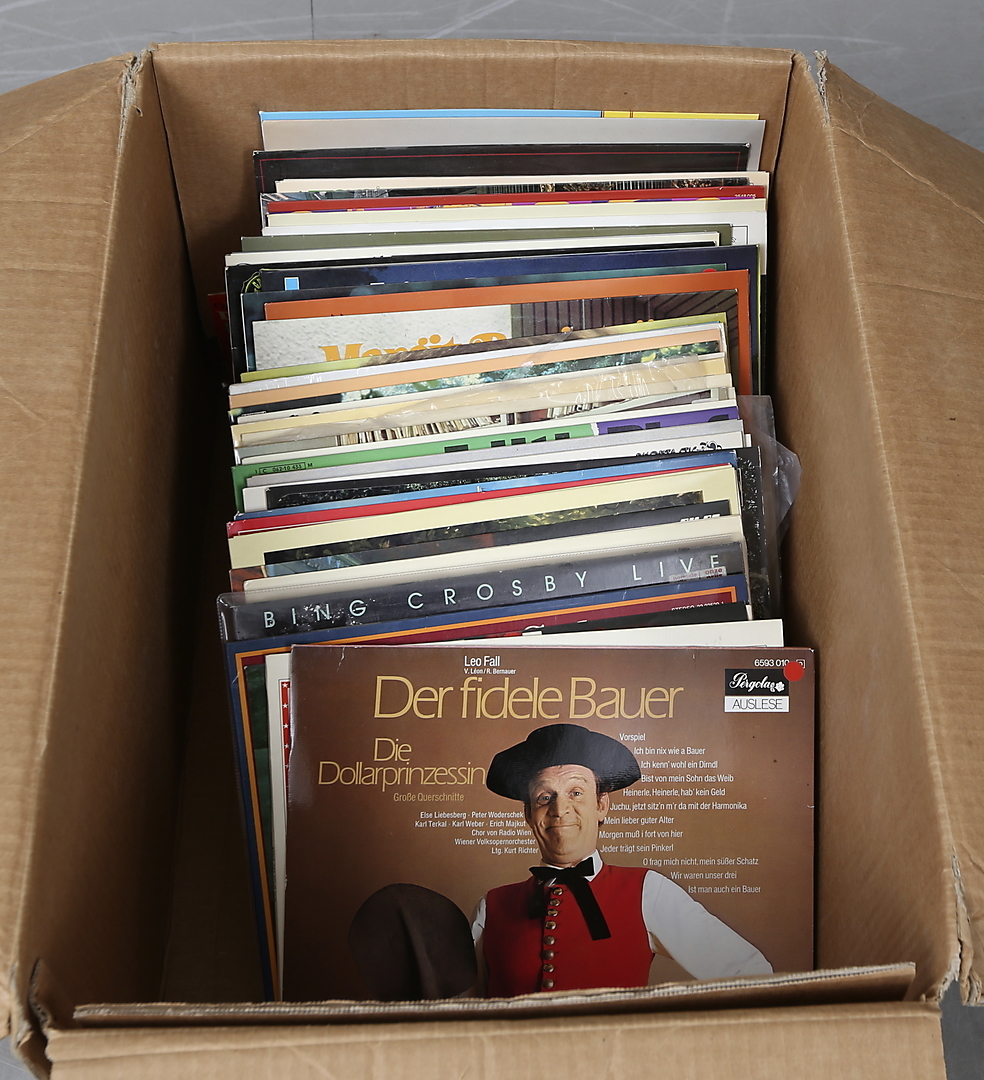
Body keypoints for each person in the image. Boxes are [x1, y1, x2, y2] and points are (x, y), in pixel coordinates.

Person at [471, 723, 772, 996]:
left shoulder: (648, 892)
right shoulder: (491, 907)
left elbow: (751, 975)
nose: (559, 809)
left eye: (576, 792)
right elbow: (464, 1013)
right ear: (528, 814)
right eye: (544, 797)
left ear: (601, 805)